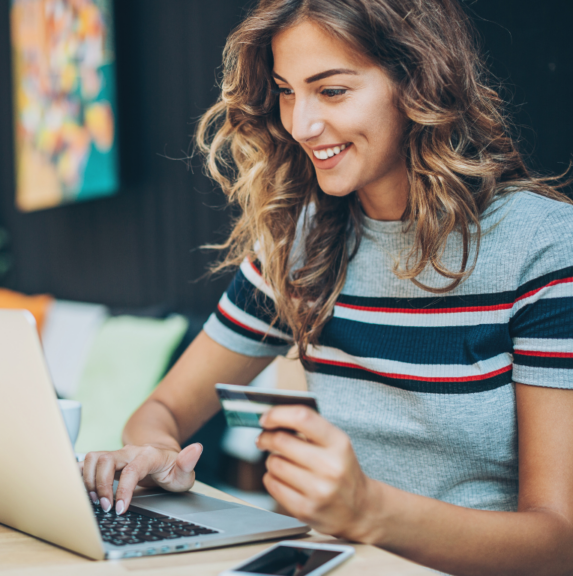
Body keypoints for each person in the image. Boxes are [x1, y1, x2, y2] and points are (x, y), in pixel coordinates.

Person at [81, 0, 573, 573]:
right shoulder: (300, 245)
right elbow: (162, 408)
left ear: (418, 82)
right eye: (287, 91)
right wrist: (158, 454)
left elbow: (558, 543)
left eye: (332, 91)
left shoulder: (542, 245)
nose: (302, 125)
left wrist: (369, 510)